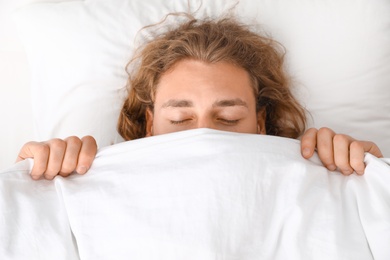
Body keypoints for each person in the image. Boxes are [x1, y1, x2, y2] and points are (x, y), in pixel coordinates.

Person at [16, 15, 382, 180]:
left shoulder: (316, 177)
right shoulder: (84, 182)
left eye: (228, 118)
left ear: (260, 123)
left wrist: (369, 176)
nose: (203, 134)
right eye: (180, 119)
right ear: (149, 124)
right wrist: (30, 181)